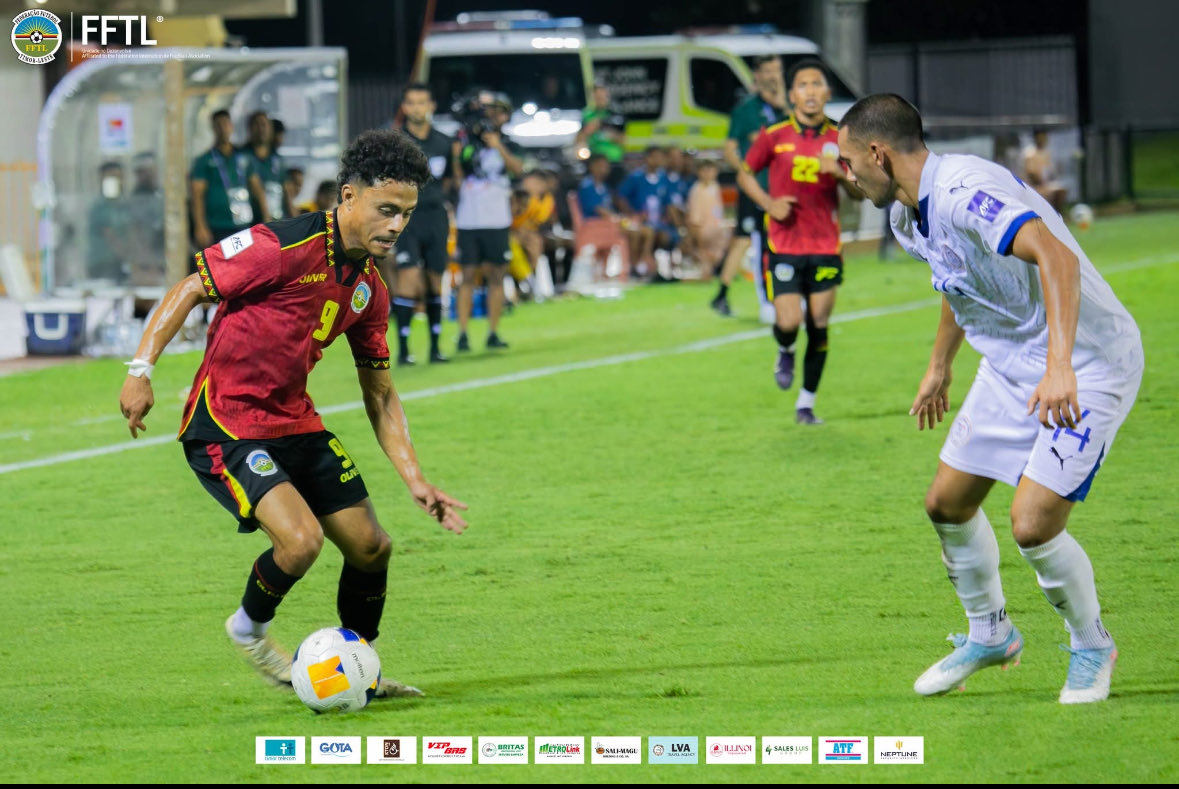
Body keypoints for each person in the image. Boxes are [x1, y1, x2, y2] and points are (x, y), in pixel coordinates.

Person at [118, 129, 468, 697]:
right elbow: (189, 287)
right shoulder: (276, 246)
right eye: (387, 210)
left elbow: (379, 393)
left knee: (372, 546)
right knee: (301, 542)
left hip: (296, 421)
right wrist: (141, 371)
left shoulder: (369, 292)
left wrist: (415, 478)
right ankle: (250, 632)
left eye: (406, 213)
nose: (397, 225)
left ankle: (357, 668)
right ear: (348, 197)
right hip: (227, 422)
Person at [837, 93, 1143, 703]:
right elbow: (958, 277)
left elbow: (1056, 256)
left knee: (1032, 523)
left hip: (1086, 359)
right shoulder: (905, 212)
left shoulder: (963, 191)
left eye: (847, 162)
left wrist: (1060, 369)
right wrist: (939, 365)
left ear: (878, 152)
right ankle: (990, 633)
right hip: (1009, 362)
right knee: (946, 505)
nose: (844, 174)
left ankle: (1092, 645)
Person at [738, 59, 863, 424]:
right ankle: (785, 348)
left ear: (827, 93)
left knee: (819, 324)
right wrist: (768, 204)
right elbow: (745, 174)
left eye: (817, 84)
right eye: (803, 85)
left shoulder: (841, 139)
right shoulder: (774, 135)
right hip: (784, 244)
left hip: (825, 246)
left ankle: (806, 403)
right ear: (792, 95)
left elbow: (859, 193)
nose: (810, 91)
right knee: (790, 320)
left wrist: (840, 176)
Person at [387, 83, 459, 366]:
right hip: (408, 217)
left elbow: (452, 178)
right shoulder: (397, 143)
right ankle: (404, 350)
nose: (417, 108)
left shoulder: (443, 142)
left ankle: (435, 347)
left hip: (435, 216)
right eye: (411, 103)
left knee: (433, 280)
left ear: (431, 106)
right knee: (409, 279)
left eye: (422, 102)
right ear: (404, 108)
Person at [711, 54, 788, 317]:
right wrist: (746, 173)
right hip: (756, 189)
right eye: (768, 71)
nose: (773, 76)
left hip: (781, 188)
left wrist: (784, 106)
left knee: (768, 242)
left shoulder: (784, 109)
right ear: (757, 75)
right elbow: (730, 148)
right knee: (751, 241)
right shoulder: (746, 110)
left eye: (777, 70)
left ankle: (726, 295)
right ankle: (763, 301)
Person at [453, 91, 524, 352]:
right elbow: (457, 176)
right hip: (469, 219)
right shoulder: (465, 139)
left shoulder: (507, 141)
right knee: (468, 275)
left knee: (496, 275)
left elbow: (518, 169)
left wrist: (498, 146)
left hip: (497, 218)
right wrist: (458, 153)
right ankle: (462, 333)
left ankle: (493, 331)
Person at [190, 110, 255, 250]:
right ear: (213, 128)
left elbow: (257, 187)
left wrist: (266, 216)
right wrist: (200, 226)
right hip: (217, 226)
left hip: (243, 224)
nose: (222, 128)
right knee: (223, 268)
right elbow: (197, 195)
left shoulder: (243, 157)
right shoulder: (205, 160)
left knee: (244, 267)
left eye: (225, 124)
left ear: (231, 126)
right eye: (218, 125)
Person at [87, 161, 131, 282]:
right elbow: (111, 237)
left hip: (119, 265)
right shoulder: (101, 207)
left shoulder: (123, 205)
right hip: (103, 266)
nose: (118, 182)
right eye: (112, 178)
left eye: (120, 177)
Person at [577, 82, 626, 186]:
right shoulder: (586, 114)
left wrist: (611, 135)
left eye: (603, 96)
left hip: (613, 160)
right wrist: (589, 130)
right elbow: (579, 138)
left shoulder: (615, 114)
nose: (601, 99)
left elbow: (623, 140)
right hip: (594, 159)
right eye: (597, 96)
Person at [686, 159, 728, 274]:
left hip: (717, 228)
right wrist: (698, 239)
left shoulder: (715, 186)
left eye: (711, 170)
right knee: (705, 258)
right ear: (699, 172)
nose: (708, 174)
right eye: (705, 171)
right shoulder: (697, 191)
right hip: (705, 230)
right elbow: (695, 219)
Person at [1023, 128, 1068, 215]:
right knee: (1056, 191)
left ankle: (1057, 216)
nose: (1044, 139)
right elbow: (1031, 174)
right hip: (1034, 186)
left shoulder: (1046, 153)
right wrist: (1043, 182)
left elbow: (1049, 171)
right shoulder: (1030, 153)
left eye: (1045, 137)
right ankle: (1054, 216)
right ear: (1036, 138)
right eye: (1041, 137)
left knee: (1061, 189)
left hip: (1046, 184)